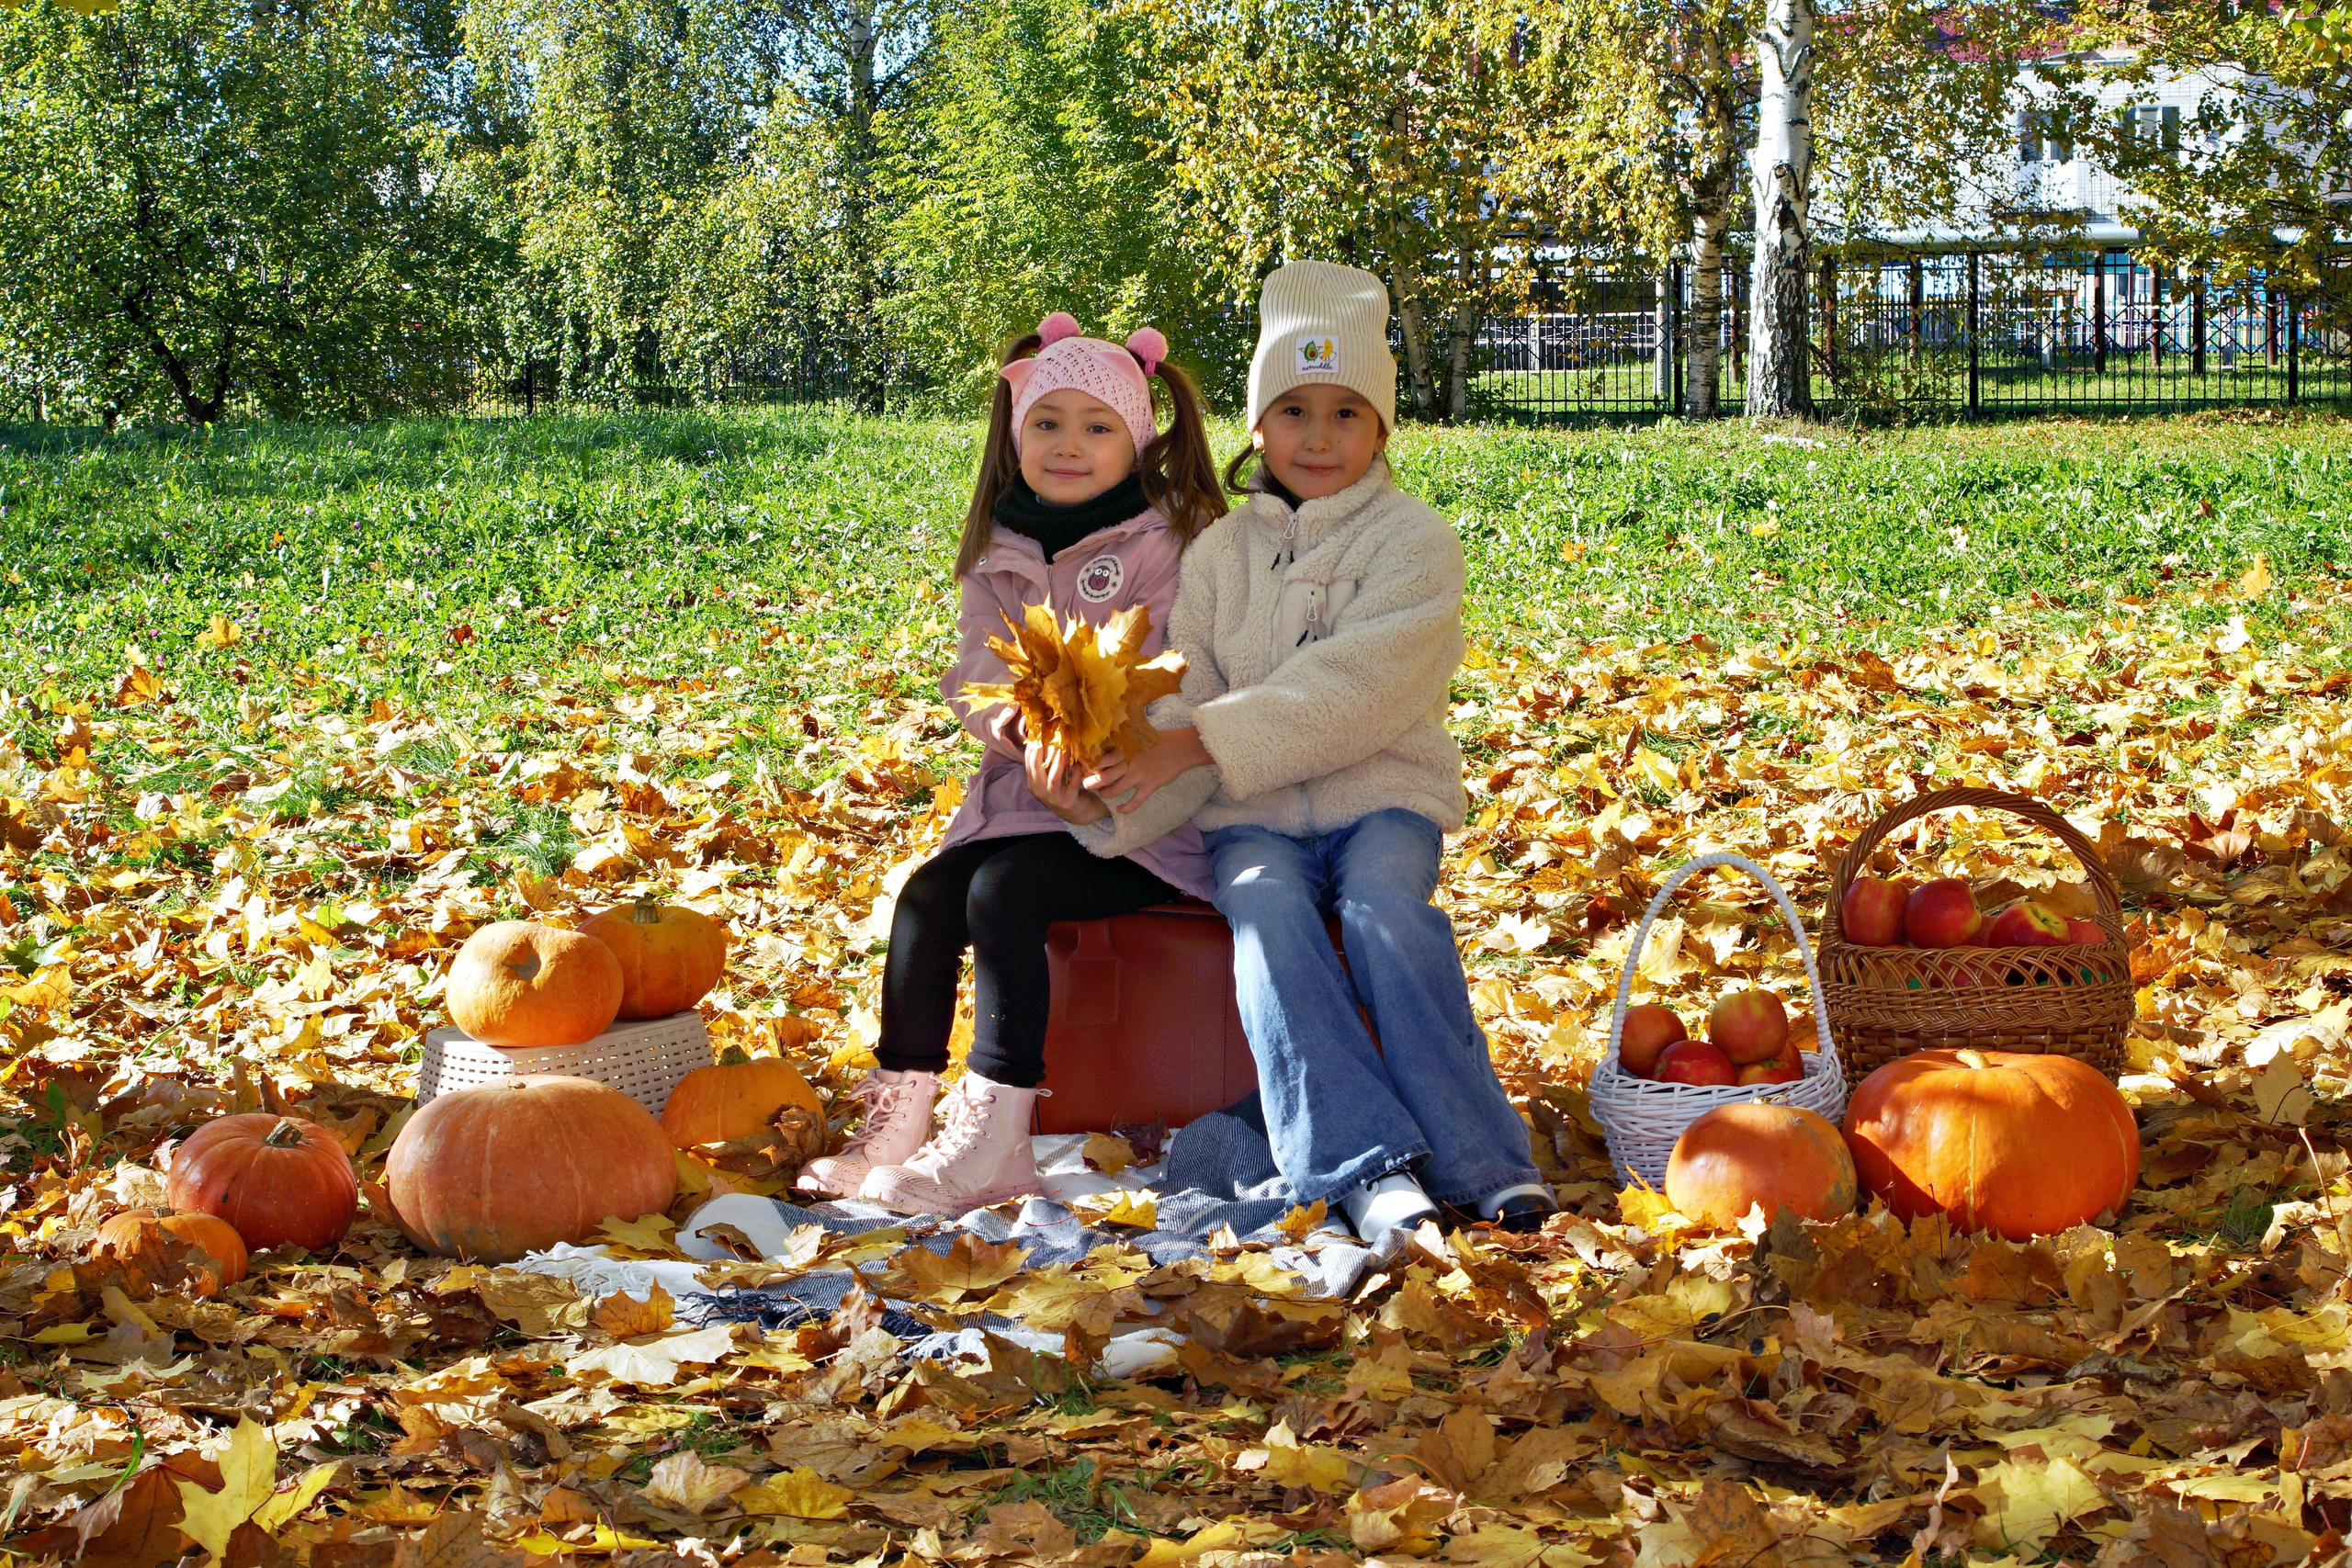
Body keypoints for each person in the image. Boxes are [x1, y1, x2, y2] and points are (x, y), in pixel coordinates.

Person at [1086, 262, 1558, 1249]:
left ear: (1384, 427)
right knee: (1264, 913)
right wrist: (1123, 788)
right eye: (1292, 409)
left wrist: (1200, 738)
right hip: (1251, 814)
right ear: (1257, 427)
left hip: (1381, 797)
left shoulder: (1412, 543)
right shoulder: (1220, 557)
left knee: (1384, 910)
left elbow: (1363, 683)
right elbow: (1188, 690)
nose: (1317, 436)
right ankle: (1361, 1166)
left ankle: (1484, 1161)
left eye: (1346, 413)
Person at [797, 313, 1227, 1215]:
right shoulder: (998, 549)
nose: (1068, 445)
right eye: (1047, 423)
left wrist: (1098, 749)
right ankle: (899, 1120)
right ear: (1016, 434)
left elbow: (1177, 675)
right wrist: (1022, 734)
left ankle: (996, 1135)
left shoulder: (1165, 546)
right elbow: (974, 673)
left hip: (1140, 811)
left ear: (1137, 442)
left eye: (1096, 427)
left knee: (1007, 895)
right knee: (926, 899)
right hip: (1021, 796)